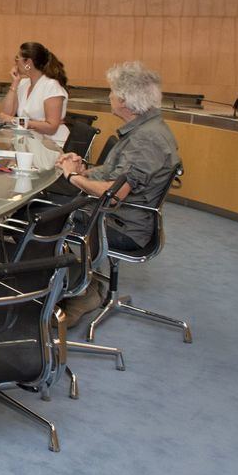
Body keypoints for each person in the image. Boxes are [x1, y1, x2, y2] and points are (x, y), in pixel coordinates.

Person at [55, 61, 181, 326]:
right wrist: (85, 170)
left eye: (112, 92)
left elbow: (112, 195)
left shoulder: (146, 140)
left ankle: (83, 293)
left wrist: (72, 176)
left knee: (46, 217)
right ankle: (82, 285)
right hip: (122, 217)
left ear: (124, 101)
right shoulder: (145, 130)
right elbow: (119, 173)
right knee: (52, 206)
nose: (109, 97)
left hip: (124, 226)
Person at [0, 41, 69, 145]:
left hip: (52, 145)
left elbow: (51, 128)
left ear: (28, 63)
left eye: (17, 58)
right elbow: (5, 114)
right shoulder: (23, 83)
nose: (15, 63)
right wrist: (14, 83)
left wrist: (15, 120)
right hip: (30, 141)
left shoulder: (51, 86)